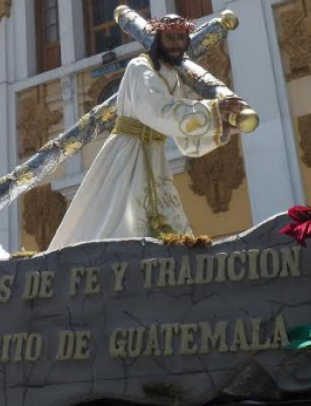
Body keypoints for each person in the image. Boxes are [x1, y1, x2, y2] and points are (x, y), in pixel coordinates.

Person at [48, 14, 245, 250]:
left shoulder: (172, 76)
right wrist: (212, 110)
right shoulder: (139, 67)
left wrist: (219, 125)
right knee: (120, 222)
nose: (175, 44)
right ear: (158, 39)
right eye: (170, 37)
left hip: (154, 154)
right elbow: (156, 110)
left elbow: (181, 134)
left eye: (181, 38)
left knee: (168, 226)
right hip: (127, 152)